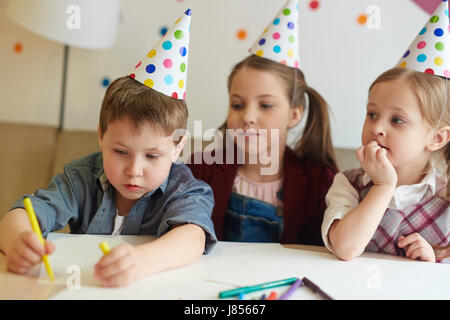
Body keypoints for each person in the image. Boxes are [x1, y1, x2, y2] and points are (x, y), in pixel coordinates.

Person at [0, 9, 217, 287]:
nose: (134, 170)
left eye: (152, 156)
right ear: (101, 137)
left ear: (177, 148)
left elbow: (193, 238)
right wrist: (19, 240)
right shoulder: (80, 179)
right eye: (121, 152)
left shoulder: (185, 189)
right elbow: (20, 214)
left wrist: (142, 261)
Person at [188, 0, 337, 244]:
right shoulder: (199, 171)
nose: (247, 117)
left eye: (266, 105)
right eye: (237, 105)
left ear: (294, 114)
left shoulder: (321, 183)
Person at [322, 1, 450, 263]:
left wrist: (434, 261)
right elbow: (345, 248)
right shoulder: (348, 184)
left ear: (436, 138)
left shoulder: (445, 200)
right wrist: (383, 186)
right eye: (372, 114)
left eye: (398, 120)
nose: (377, 128)